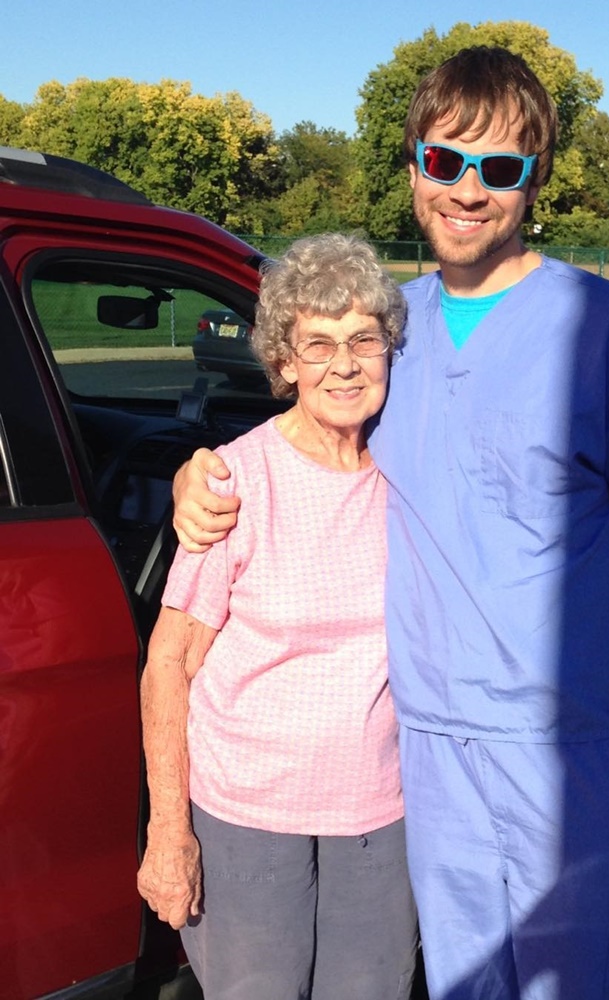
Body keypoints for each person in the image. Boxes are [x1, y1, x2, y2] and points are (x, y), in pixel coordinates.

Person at [171, 47, 609, 1000]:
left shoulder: (608, 325)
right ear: (414, 168)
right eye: (445, 161)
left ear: (534, 181)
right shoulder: (393, 329)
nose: (468, 190)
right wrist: (199, 475)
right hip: (425, 761)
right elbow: (304, 438)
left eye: (500, 167)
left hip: (572, 757)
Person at [136, 233, 419, 1000]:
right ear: (285, 363)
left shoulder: (410, 473)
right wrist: (169, 833)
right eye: (318, 344)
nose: (344, 364)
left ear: (389, 349)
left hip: (381, 813)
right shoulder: (236, 482)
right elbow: (169, 663)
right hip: (249, 818)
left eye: (364, 339)